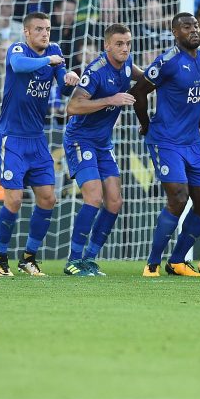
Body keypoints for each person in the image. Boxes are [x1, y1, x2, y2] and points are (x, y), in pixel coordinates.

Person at [0, 12, 80, 277]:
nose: (45, 33)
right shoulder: (17, 50)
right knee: (15, 200)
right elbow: (19, 66)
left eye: (48, 29)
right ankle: (0, 259)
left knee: (48, 198)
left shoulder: (54, 50)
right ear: (27, 32)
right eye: (39, 29)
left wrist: (70, 79)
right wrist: (48, 61)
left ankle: (29, 258)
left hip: (37, 139)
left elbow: (63, 88)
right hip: (12, 138)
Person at [131, 13, 200, 277]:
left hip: (192, 140)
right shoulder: (166, 62)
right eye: (186, 26)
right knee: (178, 197)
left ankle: (177, 261)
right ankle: (152, 264)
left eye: (195, 26)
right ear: (174, 32)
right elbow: (138, 92)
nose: (193, 30)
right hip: (165, 140)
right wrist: (145, 123)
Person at [62, 24, 143, 276]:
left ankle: (89, 259)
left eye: (128, 43)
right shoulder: (95, 71)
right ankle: (73, 260)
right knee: (94, 198)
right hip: (80, 140)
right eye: (119, 44)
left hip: (103, 143)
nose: (125, 48)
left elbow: (147, 77)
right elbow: (73, 107)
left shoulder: (128, 65)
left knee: (115, 201)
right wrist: (111, 99)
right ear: (107, 45)